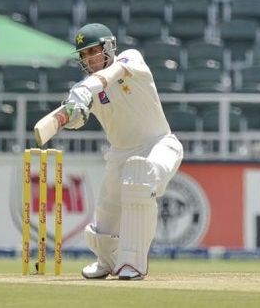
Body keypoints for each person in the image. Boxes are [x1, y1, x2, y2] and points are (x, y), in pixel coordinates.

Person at [63, 23, 183, 280]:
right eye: (83, 55)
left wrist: (84, 89)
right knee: (107, 212)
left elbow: (108, 76)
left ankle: (133, 263)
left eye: (93, 51)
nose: (88, 59)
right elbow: (77, 120)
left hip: (160, 144)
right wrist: (72, 112)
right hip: (119, 154)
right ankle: (106, 261)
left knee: (140, 178)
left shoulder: (131, 59)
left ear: (108, 47)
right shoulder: (86, 90)